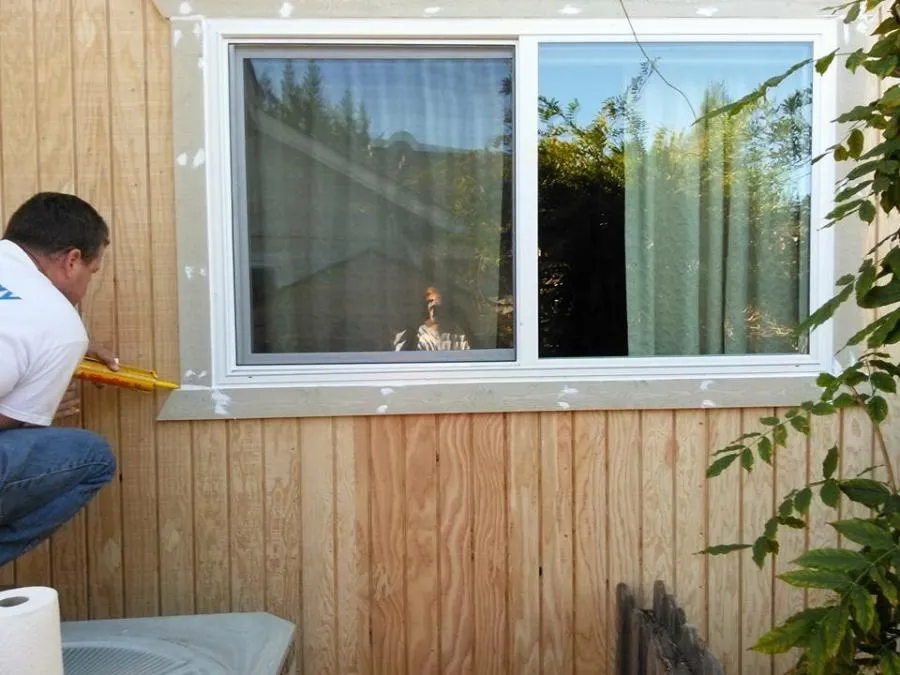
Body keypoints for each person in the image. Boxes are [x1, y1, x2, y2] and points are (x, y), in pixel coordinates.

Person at [0, 192, 119, 569]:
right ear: (72, 260)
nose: (87, 284)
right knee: (92, 456)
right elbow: (9, 429)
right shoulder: (59, 324)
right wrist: (26, 412)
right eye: (92, 272)